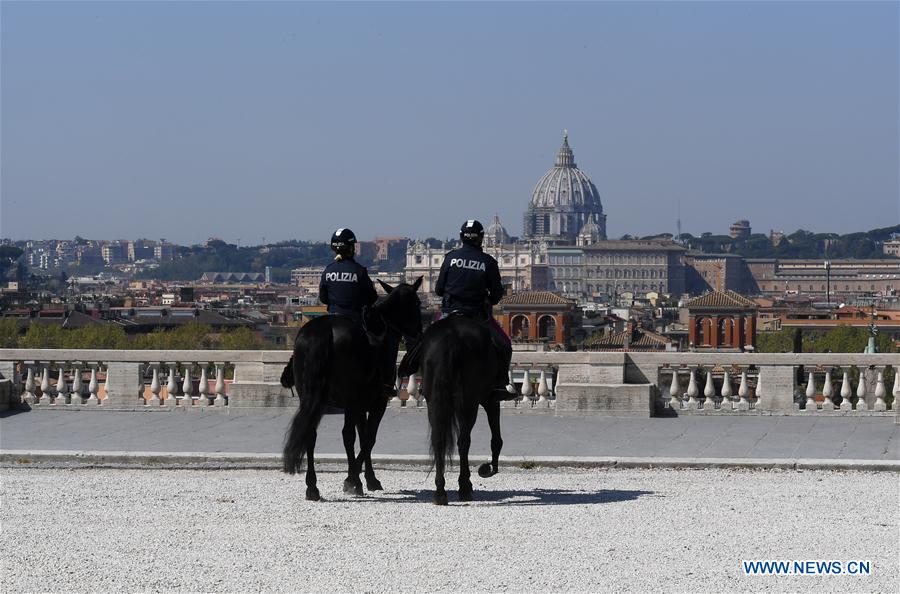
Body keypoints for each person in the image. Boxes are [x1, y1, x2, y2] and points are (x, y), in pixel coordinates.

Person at [434, 219, 512, 396]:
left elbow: (439, 290)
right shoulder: (488, 261)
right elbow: (497, 295)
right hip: (476, 315)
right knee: (505, 344)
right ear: (481, 238)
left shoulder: (450, 257)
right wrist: (488, 300)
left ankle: (423, 378)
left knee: (425, 341)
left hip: (448, 313)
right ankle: (500, 383)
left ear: (461, 237)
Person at [318, 228, 393, 398]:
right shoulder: (359, 271)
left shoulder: (328, 270)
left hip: (332, 317)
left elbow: (323, 298)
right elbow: (371, 298)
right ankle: (384, 384)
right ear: (352, 248)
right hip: (353, 320)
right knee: (379, 347)